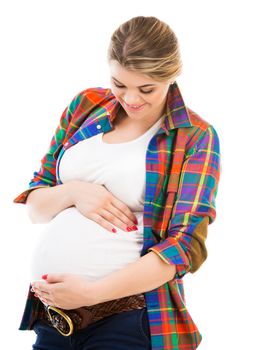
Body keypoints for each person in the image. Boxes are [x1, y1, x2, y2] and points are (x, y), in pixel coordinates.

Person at [13, 15, 221, 350]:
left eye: (146, 88)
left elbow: (184, 246)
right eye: (119, 84)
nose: (131, 99)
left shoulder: (194, 137)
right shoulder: (86, 106)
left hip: (129, 321)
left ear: (172, 75)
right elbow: (35, 207)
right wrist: (75, 192)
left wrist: (91, 292)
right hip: (55, 321)